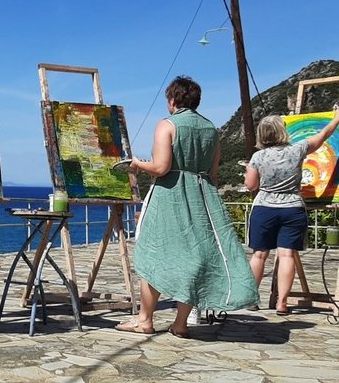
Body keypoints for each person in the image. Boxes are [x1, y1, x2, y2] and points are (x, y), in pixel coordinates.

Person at [115, 76, 258, 337]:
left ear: (173, 100)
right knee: (194, 259)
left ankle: (145, 320)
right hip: (203, 195)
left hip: (170, 196)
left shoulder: (167, 125)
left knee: (152, 255)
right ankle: (180, 324)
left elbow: (161, 168)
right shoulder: (211, 129)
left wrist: (136, 165)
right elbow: (214, 173)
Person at [245, 108, 339, 315]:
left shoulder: (258, 157)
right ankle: (282, 303)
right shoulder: (297, 150)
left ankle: (252, 299)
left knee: (259, 255)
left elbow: (251, 185)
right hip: (293, 208)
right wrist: (336, 120)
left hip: (264, 209)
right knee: (287, 254)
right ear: (282, 131)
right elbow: (323, 136)